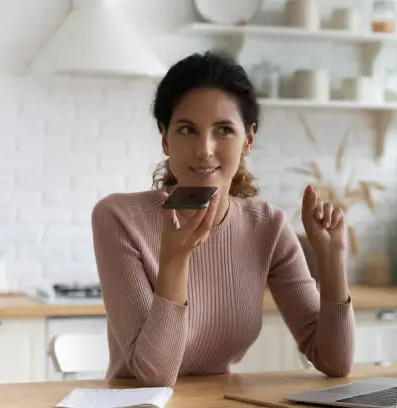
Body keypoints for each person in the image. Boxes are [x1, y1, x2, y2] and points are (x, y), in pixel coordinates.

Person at [91, 51, 354, 387]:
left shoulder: (268, 227)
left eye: (224, 130)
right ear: (165, 138)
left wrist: (331, 261)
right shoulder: (118, 219)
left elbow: (335, 362)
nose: (205, 149)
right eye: (187, 129)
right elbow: (154, 375)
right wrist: (174, 261)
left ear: (249, 140)